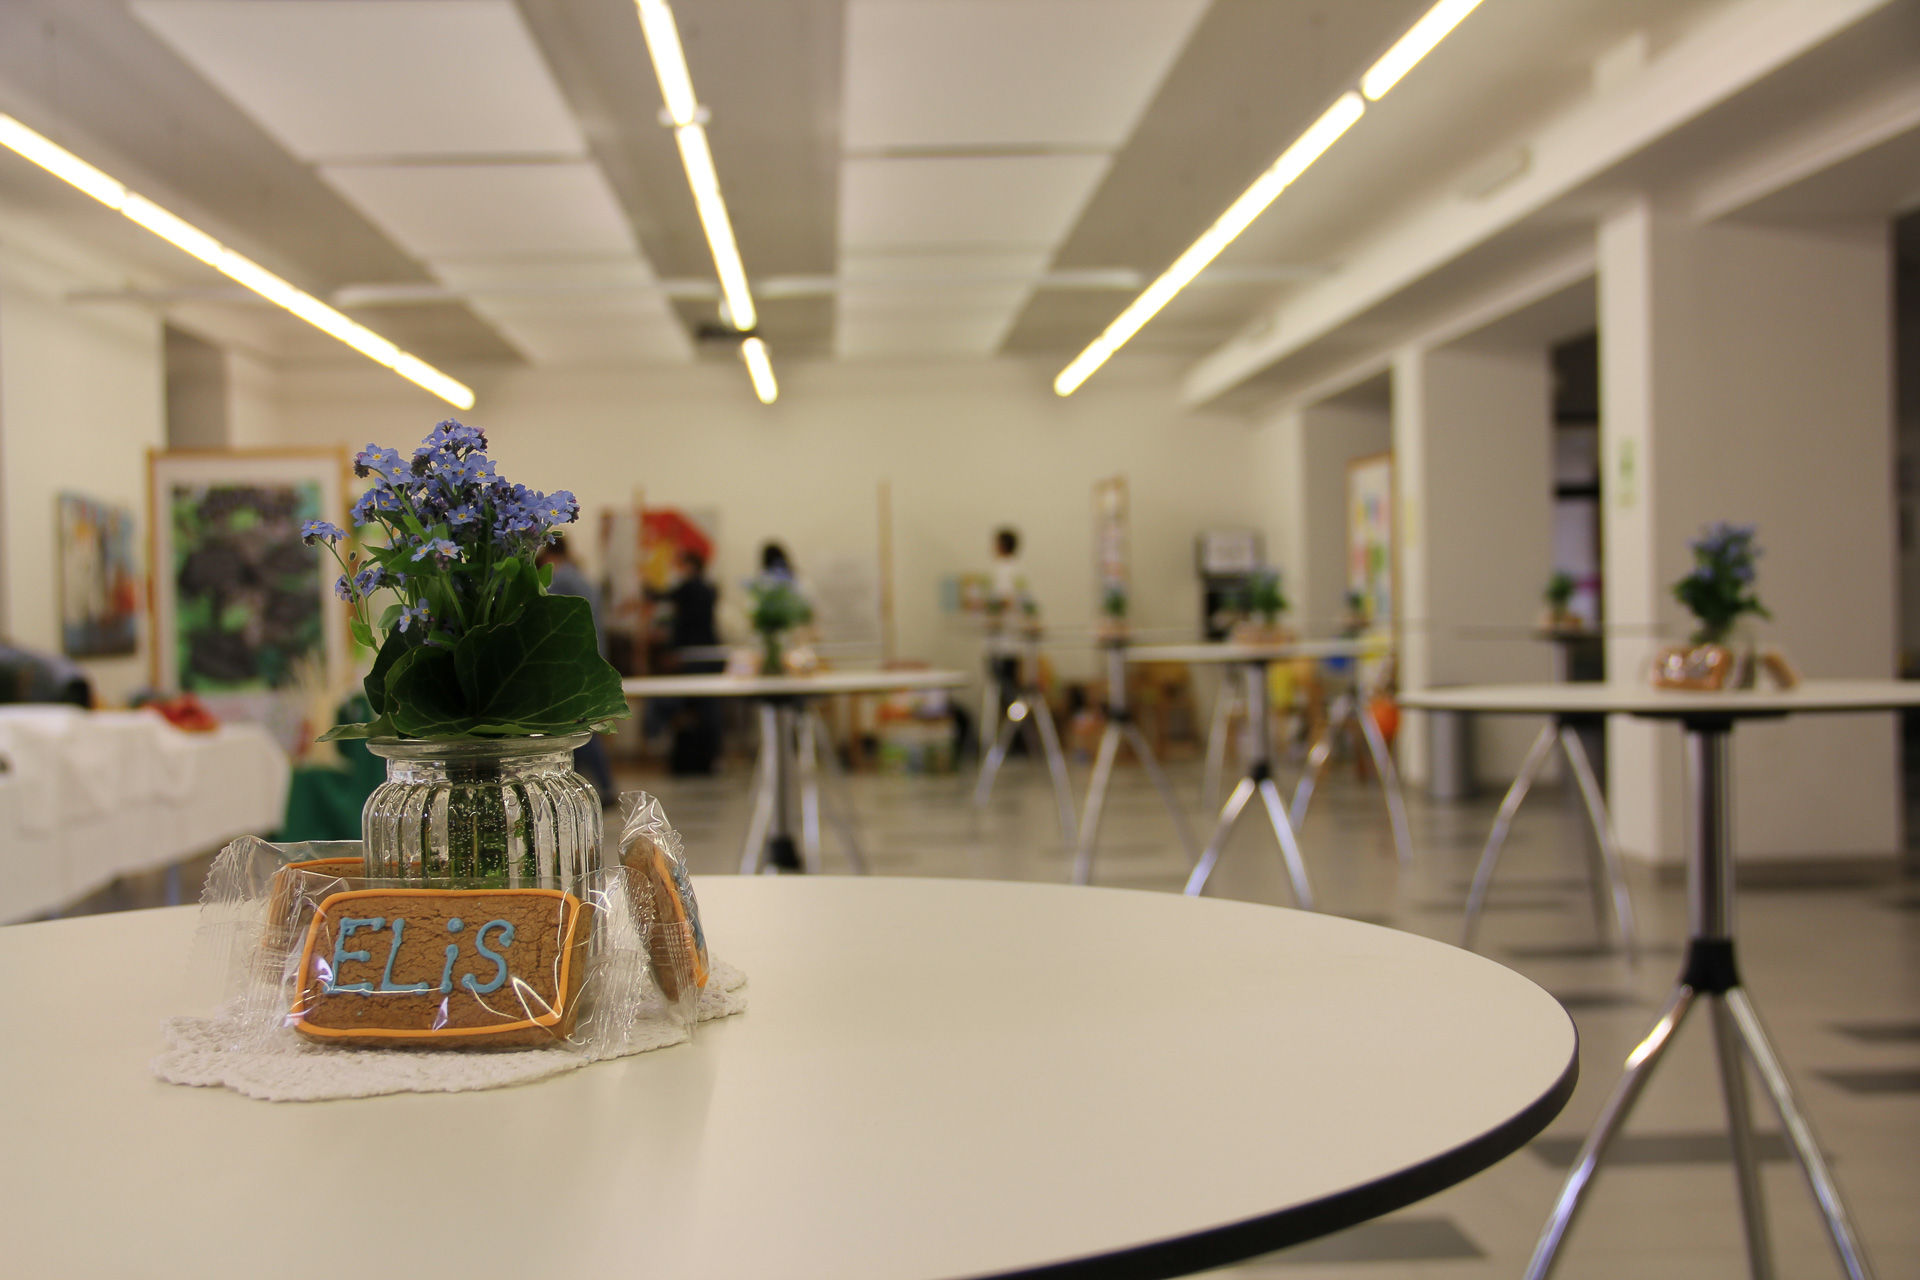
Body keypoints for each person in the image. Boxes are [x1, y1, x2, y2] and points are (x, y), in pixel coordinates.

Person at [536, 534, 617, 802]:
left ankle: (602, 786)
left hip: (571, 662)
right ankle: (591, 786)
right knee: (584, 726)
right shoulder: (581, 576)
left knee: (576, 729)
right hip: (591, 658)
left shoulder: (559, 578)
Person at [648, 549, 724, 774]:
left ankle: (691, 758)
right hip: (709, 654)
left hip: (691, 656)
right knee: (707, 708)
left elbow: (661, 596)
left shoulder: (689, 588)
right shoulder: (709, 589)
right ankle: (709, 758)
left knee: (690, 708)